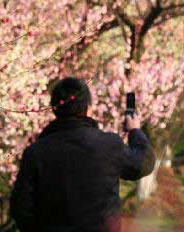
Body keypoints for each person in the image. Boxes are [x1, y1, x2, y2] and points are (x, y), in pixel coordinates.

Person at [10, 77, 155, 232]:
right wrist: (134, 130)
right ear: (87, 108)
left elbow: (20, 207)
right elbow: (143, 163)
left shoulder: (36, 153)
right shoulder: (109, 145)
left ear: (54, 108)